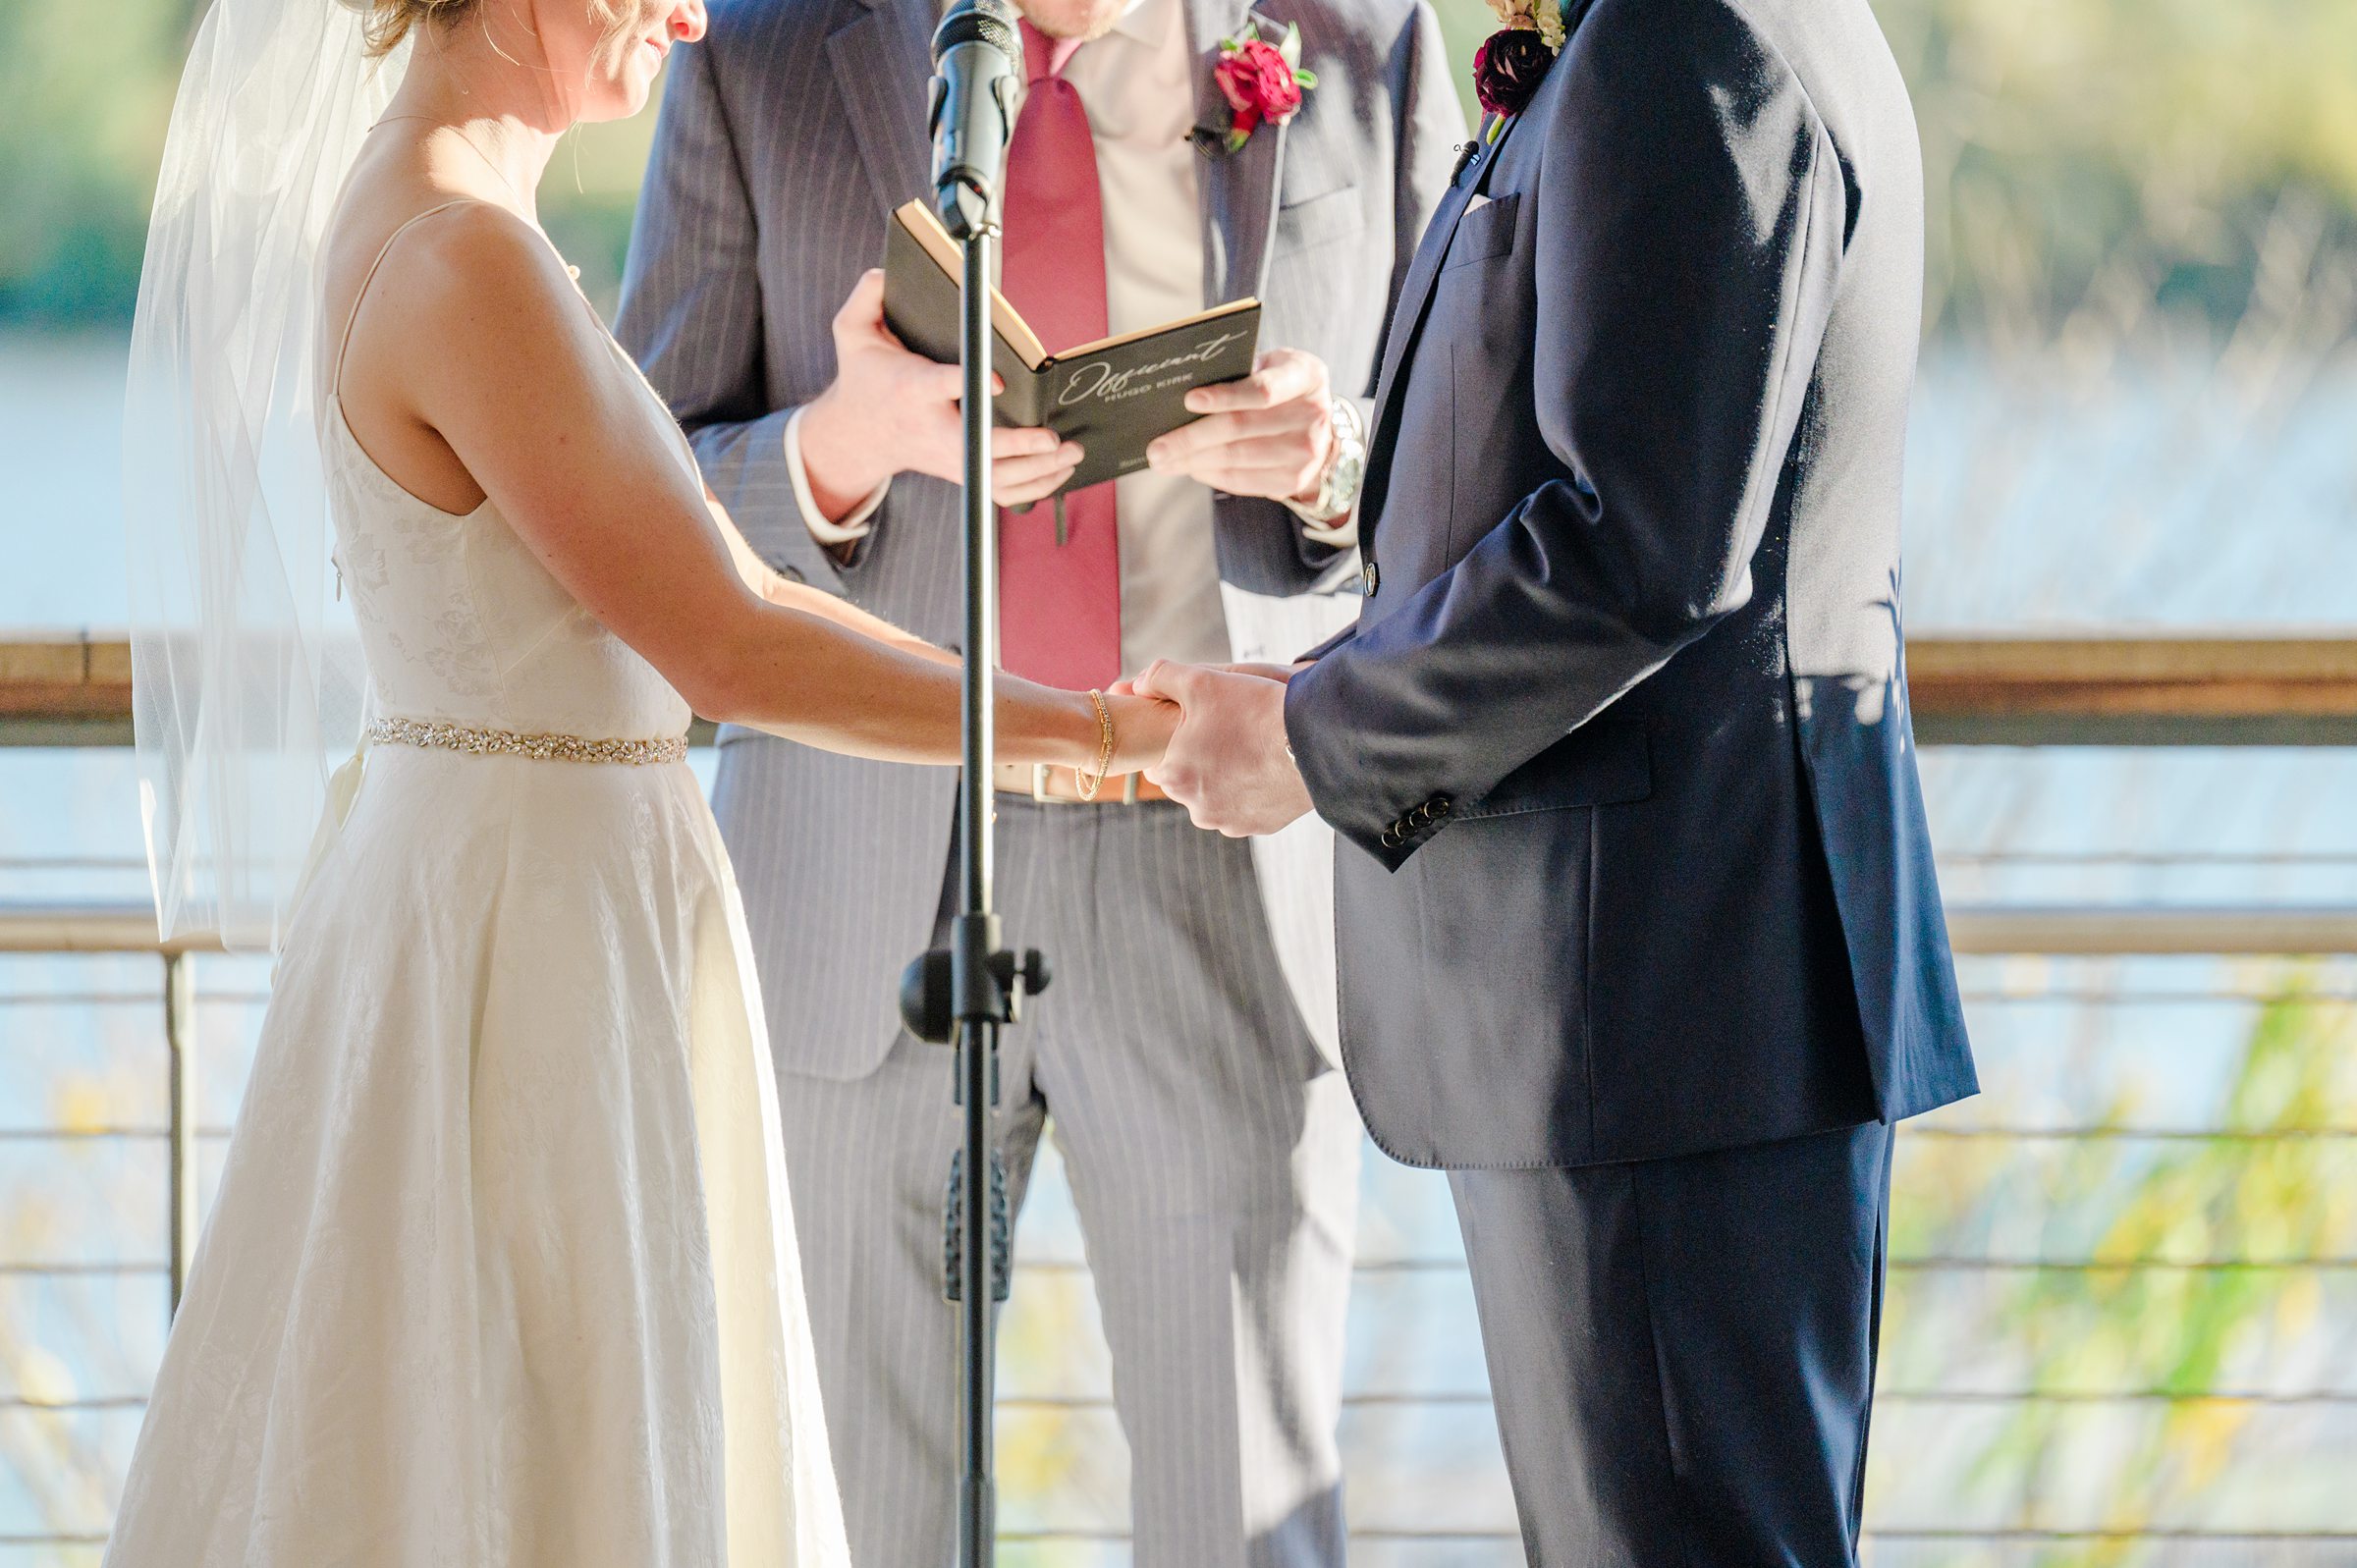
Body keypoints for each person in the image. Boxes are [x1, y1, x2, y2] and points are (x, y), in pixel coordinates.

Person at [105, 1, 1174, 1562]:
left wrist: (1076, 721)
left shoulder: (463, 219)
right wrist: (1094, 742)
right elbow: (729, 648)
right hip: (526, 964)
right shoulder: (458, 251)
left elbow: (737, 580)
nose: (690, 14)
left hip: (533, 914)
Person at [1131, 0, 1981, 1560]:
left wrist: (1318, 743)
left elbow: (1635, 547)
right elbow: (1576, 473)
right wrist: (1324, 677)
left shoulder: (1682, 38)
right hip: (1661, 1006)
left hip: (1658, 1005)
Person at [615, 0, 1461, 1563]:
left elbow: (1468, 483)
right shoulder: (761, 51)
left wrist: (1333, 461)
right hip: (856, 879)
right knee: (851, 1517)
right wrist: (837, 450)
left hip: (1216, 853)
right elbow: (641, 485)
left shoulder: (1368, 41)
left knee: (1250, 1518)